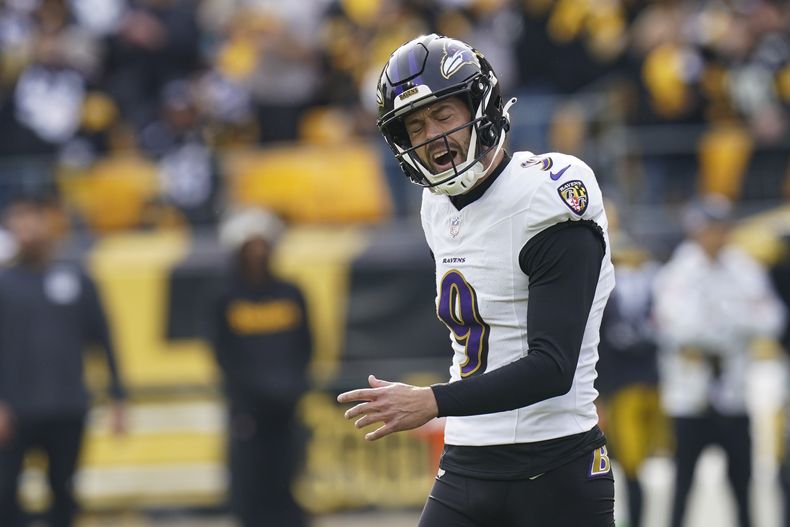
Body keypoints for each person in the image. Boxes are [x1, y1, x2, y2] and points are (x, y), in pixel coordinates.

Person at [337, 34, 616, 526]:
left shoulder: (546, 192)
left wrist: (432, 400)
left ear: (480, 107)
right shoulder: (434, 206)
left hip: (556, 465)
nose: (431, 137)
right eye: (415, 126)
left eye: (443, 115)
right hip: (467, 461)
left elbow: (553, 366)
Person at [652, 195, 786, 527]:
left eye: (721, 228)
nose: (716, 236)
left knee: (743, 485)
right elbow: (670, 327)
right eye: (709, 228)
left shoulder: (744, 268)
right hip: (690, 394)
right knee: (683, 484)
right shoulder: (678, 271)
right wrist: (735, 326)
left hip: (733, 392)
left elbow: (773, 318)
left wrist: (719, 326)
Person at [0, 193, 126, 527]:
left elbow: (104, 337)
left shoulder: (76, 278)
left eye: (31, 218)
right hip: (14, 411)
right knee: (5, 494)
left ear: (47, 222)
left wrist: (118, 397)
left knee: (64, 491)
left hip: (67, 406)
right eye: (17, 220)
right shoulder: (4, 283)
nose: (25, 227)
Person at [209, 207, 312, 527]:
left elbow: (307, 344)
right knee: (250, 485)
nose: (258, 252)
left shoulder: (291, 293)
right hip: (247, 410)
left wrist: (294, 386)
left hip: (286, 406)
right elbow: (223, 354)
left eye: (262, 244)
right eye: (251, 246)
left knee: (287, 477)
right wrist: (246, 396)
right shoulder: (225, 298)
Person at [596, 228, 666, 527]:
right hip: (615, 388)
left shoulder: (655, 283)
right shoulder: (602, 288)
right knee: (617, 464)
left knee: (635, 464)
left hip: (641, 384)